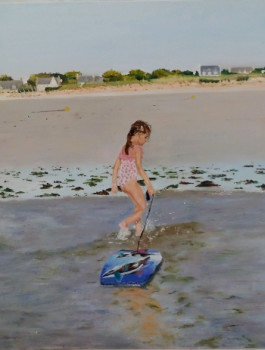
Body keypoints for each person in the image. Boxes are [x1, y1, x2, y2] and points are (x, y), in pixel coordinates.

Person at [111, 120, 154, 236]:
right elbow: (139, 169)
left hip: (123, 184)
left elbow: (115, 167)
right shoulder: (138, 149)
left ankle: (138, 230)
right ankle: (126, 223)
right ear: (137, 134)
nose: (146, 140)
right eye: (145, 137)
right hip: (130, 182)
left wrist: (114, 184)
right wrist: (149, 185)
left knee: (137, 206)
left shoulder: (124, 147)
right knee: (142, 207)